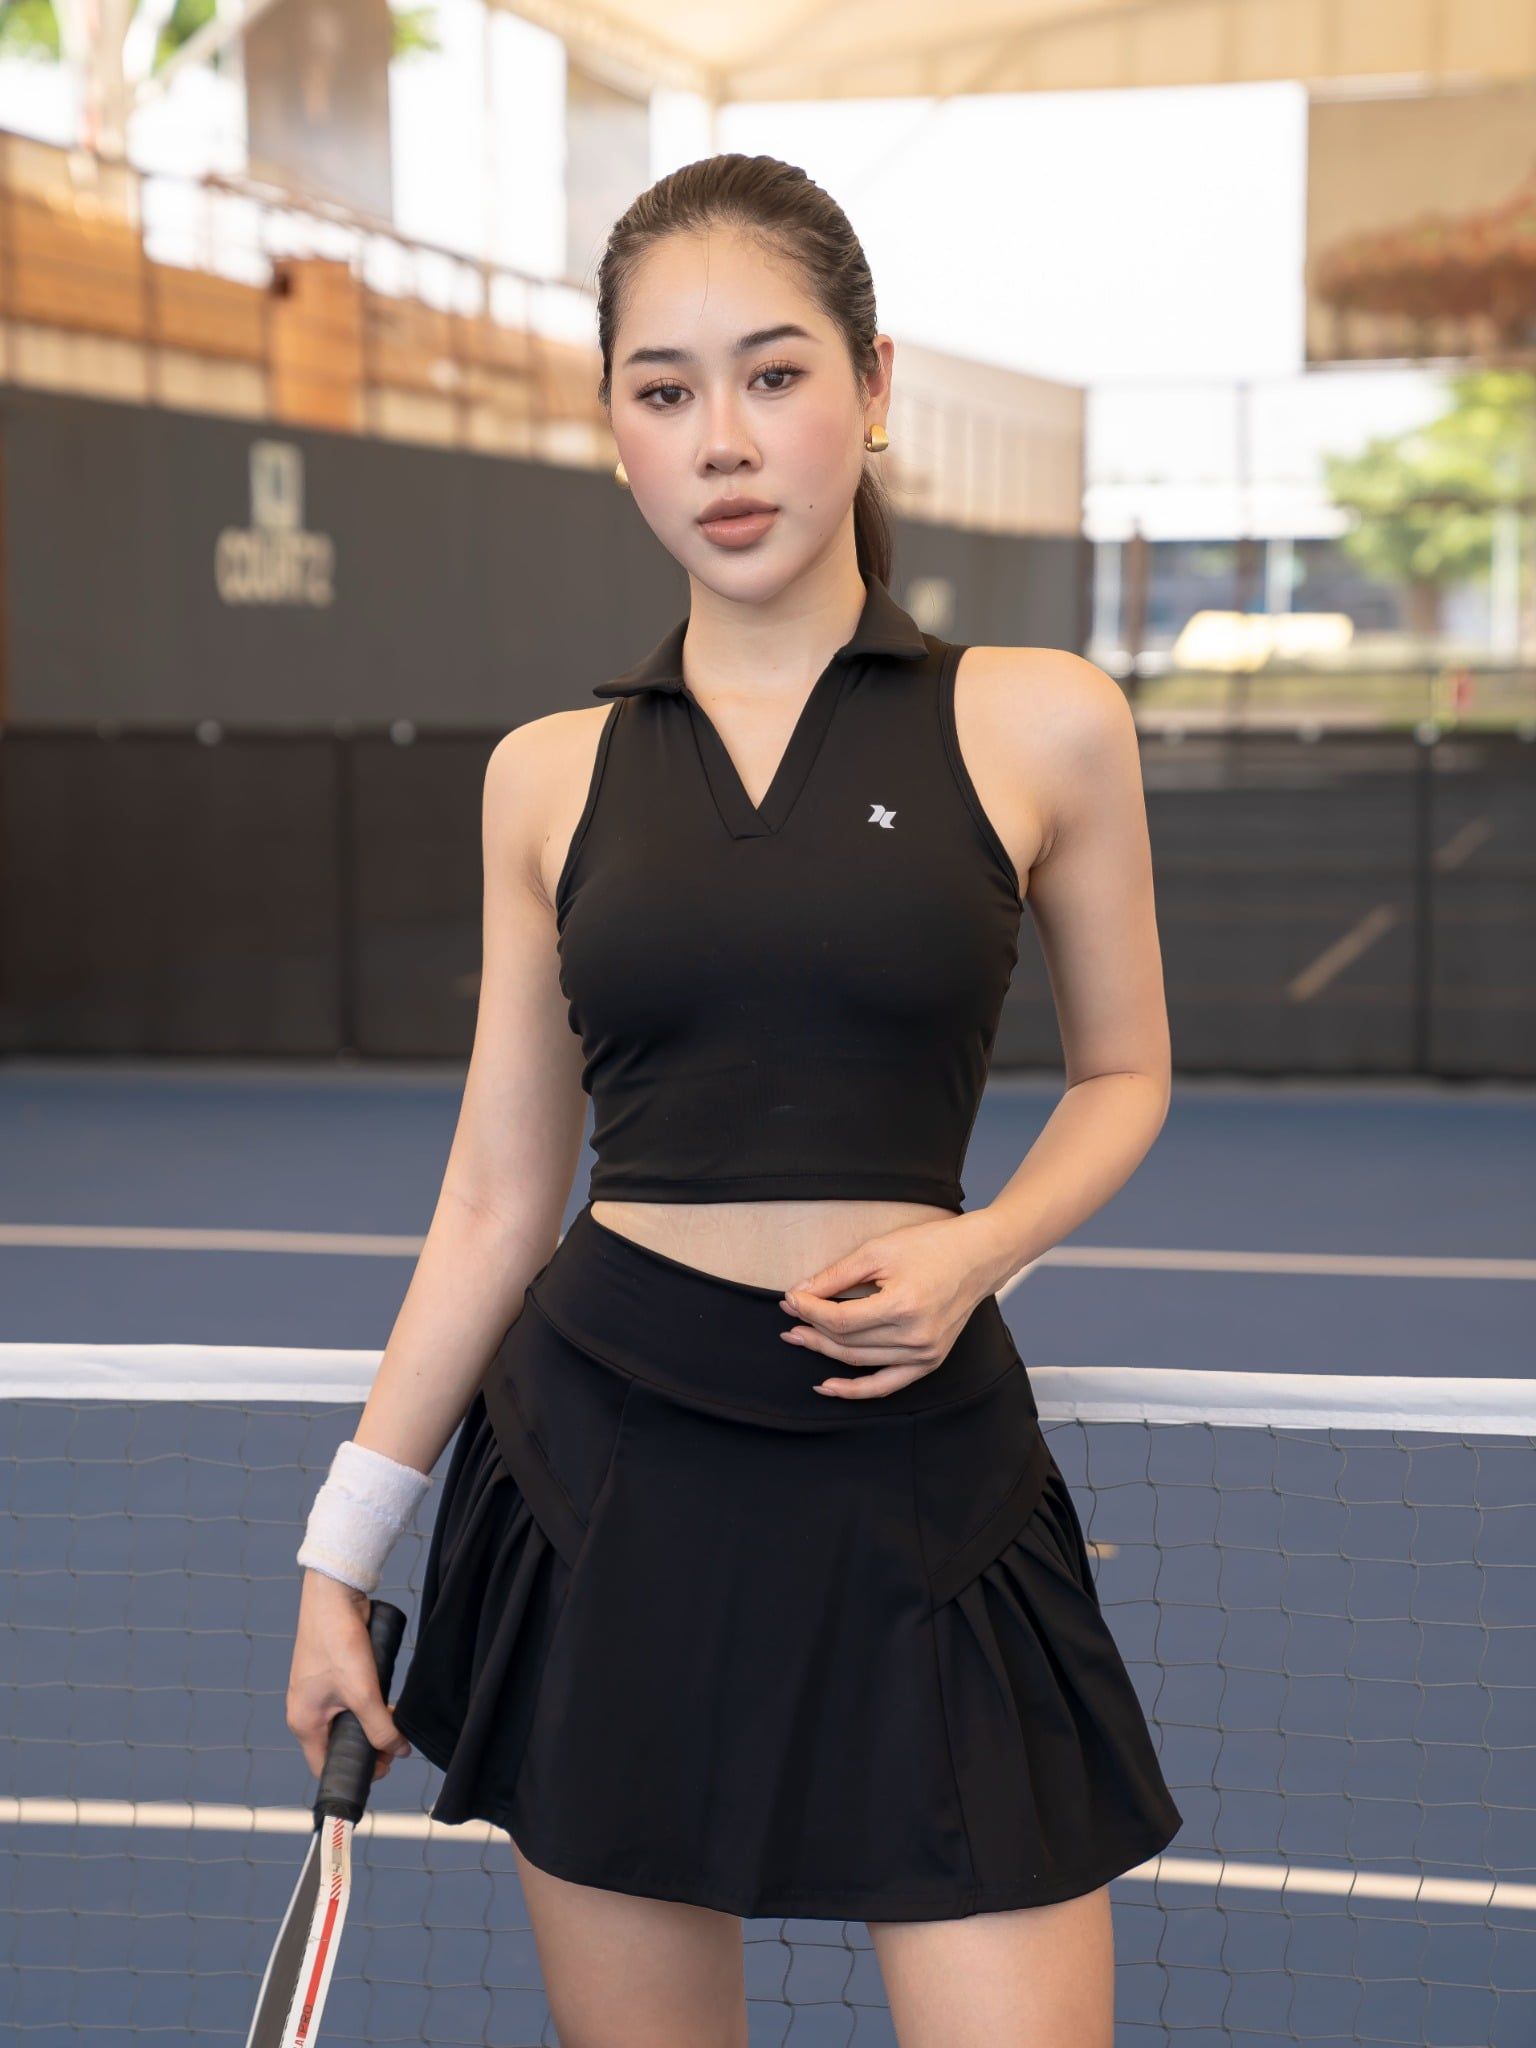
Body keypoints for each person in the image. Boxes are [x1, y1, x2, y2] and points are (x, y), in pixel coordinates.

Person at [285, 152, 1182, 2048]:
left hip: (923, 1467)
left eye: (775, 375)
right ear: (614, 430)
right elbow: (494, 1201)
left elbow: (1126, 1073)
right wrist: (341, 1552)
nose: (724, 440)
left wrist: (982, 1253)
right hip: (608, 1481)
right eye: (665, 389)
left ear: (873, 386)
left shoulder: (1043, 718)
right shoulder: (544, 775)